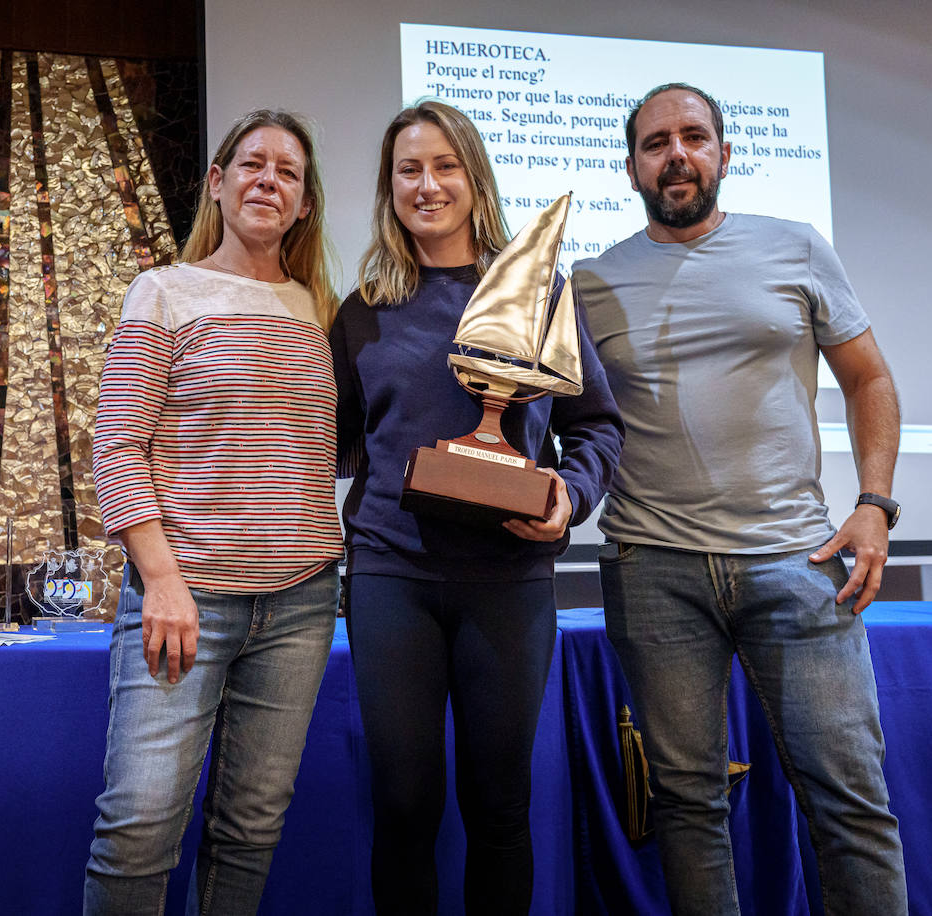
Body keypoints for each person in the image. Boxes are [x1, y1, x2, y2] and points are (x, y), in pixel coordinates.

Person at [573, 82, 907, 915]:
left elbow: (868, 378)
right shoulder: (590, 281)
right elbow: (572, 423)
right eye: (656, 143)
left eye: (693, 137)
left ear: (724, 154)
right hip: (653, 570)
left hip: (797, 562)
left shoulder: (795, 246)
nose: (676, 155)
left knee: (850, 800)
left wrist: (875, 502)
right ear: (631, 166)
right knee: (687, 807)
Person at [331, 100, 623, 914]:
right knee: (404, 807)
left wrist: (570, 495)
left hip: (510, 581)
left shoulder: (536, 291)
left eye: (445, 166)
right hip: (393, 577)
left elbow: (596, 425)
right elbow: (340, 443)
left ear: (475, 177)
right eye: (408, 171)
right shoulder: (361, 310)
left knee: (498, 809)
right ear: (389, 188)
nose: (427, 186)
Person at [83, 109, 342, 915]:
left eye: (288, 172)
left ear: (304, 203)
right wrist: (160, 580)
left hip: (301, 604)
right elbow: (117, 447)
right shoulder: (162, 291)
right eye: (253, 164)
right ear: (218, 183)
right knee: (138, 830)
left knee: (251, 827)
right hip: (185, 600)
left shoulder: (319, 311)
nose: (269, 180)